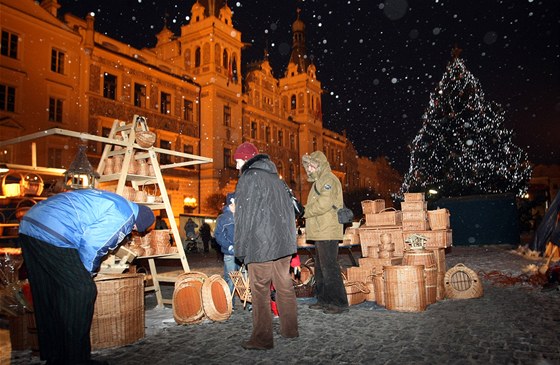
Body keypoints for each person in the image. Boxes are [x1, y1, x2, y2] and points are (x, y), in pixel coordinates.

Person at [18, 188, 155, 365]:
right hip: (53, 232)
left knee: (49, 292)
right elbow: (92, 246)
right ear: (140, 223)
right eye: (138, 230)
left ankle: (55, 356)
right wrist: (86, 273)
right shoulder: (125, 215)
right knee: (83, 290)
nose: (134, 232)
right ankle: (76, 359)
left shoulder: (117, 201)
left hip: (30, 225)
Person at [233, 141, 298, 350]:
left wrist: (241, 248)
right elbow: (290, 213)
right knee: (284, 285)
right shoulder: (278, 180)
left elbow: (245, 217)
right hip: (283, 244)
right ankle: (290, 329)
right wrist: (290, 243)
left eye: (238, 161)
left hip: (261, 244)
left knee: (259, 289)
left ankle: (262, 338)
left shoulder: (248, 178)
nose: (236, 166)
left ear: (247, 159)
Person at [302, 150, 349, 314]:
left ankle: (339, 303)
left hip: (328, 230)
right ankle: (324, 300)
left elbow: (325, 203)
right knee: (321, 268)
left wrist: (304, 211)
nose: (309, 168)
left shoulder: (328, 179)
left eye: (312, 165)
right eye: (307, 166)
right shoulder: (319, 181)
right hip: (321, 231)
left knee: (330, 267)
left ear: (319, 164)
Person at [214, 192, 240, 302]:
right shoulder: (223, 218)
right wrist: (229, 246)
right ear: (231, 203)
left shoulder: (242, 216)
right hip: (230, 254)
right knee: (230, 278)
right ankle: (229, 303)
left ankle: (250, 303)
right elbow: (218, 235)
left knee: (246, 278)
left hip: (243, 252)